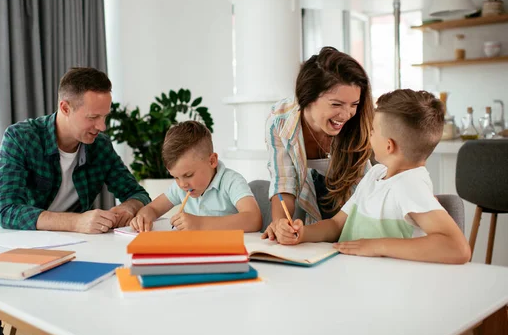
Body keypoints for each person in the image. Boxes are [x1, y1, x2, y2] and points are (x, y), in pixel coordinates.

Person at [0, 67, 151, 335]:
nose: (102, 126)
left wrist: (127, 209)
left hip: (70, 255)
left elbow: (137, 193)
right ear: (65, 107)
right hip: (9, 250)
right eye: (93, 117)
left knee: (102, 307)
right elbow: (7, 209)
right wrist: (77, 222)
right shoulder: (21, 138)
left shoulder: (100, 147)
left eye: (105, 116)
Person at [268, 89, 471, 264]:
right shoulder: (376, 174)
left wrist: (376, 246)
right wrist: (302, 234)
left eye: (373, 131)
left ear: (389, 145)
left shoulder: (410, 184)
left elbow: (458, 248)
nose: (368, 135)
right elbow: (337, 224)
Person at [263, 46, 374, 235]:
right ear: (308, 96)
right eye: (336, 104)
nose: (347, 115)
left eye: (354, 104)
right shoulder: (280, 121)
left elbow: (365, 196)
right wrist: (281, 224)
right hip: (311, 222)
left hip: (358, 218)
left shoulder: (362, 125)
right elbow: (284, 180)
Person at [130, 120, 262, 232]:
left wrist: (200, 224)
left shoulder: (231, 181)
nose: (182, 184)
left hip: (226, 253)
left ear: (212, 161)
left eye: (188, 175)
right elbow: (152, 208)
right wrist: (143, 217)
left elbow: (254, 219)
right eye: (175, 177)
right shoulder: (182, 187)